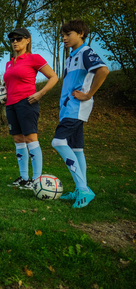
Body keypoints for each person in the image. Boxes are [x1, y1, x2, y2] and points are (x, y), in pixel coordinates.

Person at [52, 19, 109, 208]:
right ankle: (81, 188)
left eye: (68, 34)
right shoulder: (70, 57)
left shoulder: (86, 52)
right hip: (68, 108)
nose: (64, 38)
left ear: (81, 34)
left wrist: (88, 94)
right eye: (63, 35)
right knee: (77, 149)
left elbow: (103, 70)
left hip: (76, 108)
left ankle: (83, 188)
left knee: (58, 142)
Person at [3, 27, 58, 189]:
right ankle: (24, 177)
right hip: (11, 105)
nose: (14, 42)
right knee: (18, 140)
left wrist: (40, 93)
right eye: (12, 39)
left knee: (31, 139)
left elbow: (53, 77)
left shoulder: (34, 58)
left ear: (27, 40)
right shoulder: (8, 63)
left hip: (27, 103)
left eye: (18, 39)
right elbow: (9, 86)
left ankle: (37, 179)